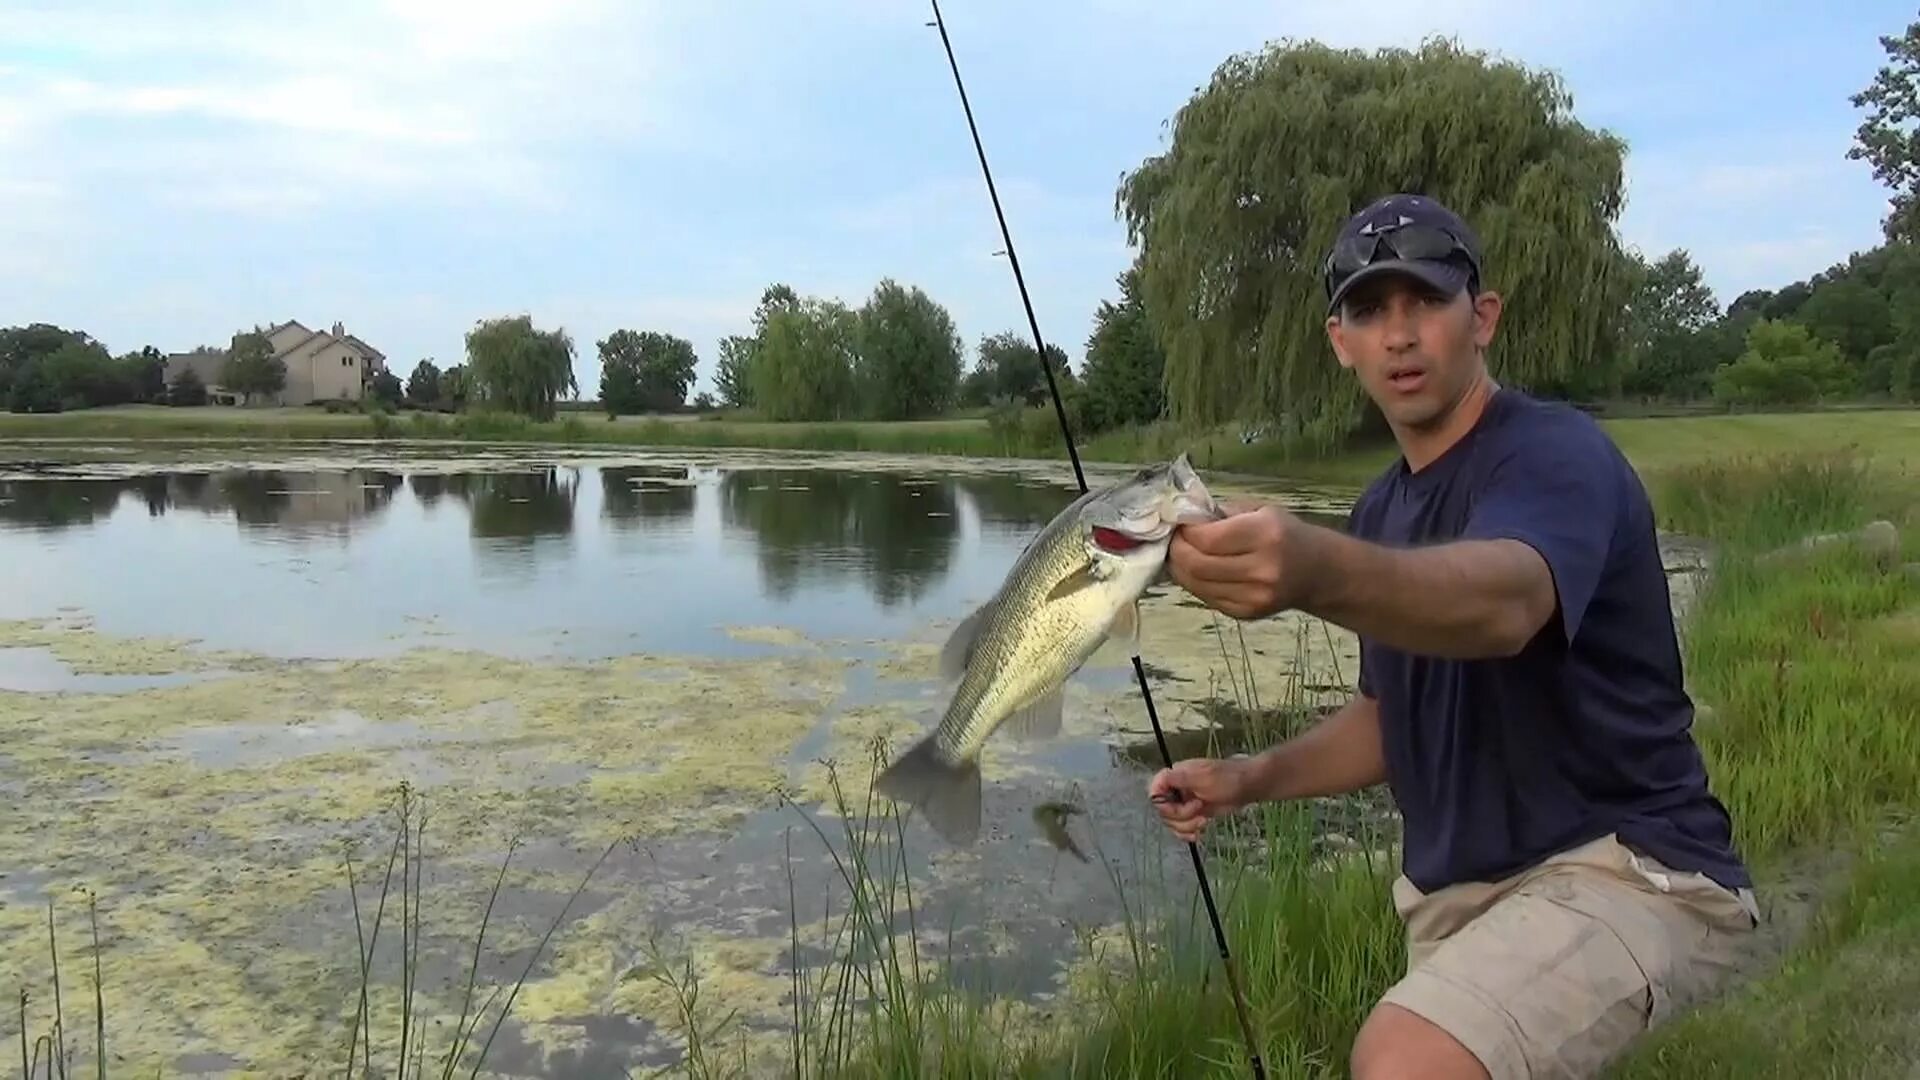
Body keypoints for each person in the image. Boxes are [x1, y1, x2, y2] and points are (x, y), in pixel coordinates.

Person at [1149, 193, 1759, 1080]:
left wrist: (1316, 571)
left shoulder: (1558, 455)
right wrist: (1248, 778)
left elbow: (1504, 603)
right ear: (1340, 341)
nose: (1400, 335)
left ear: (1482, 319)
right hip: (1457, 903)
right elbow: (1391, 717)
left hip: (1631, 869)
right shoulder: (1380, 509)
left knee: (1403, 1060)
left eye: (1425, 302)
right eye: (1370, 310)